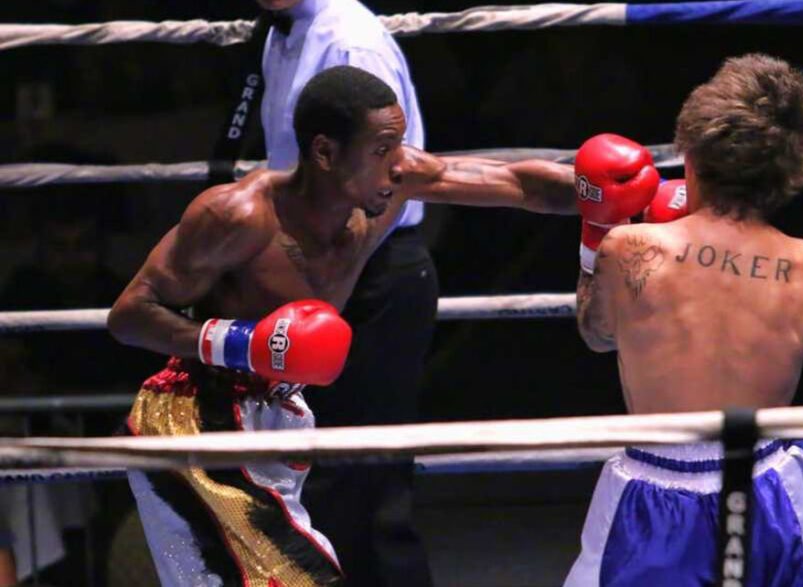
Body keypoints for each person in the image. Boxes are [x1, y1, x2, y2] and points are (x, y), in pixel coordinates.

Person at [107, 65, 575, 587]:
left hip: (277, 415)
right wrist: (242, 342)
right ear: (326, 153)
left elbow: (518, 185)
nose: (398, 164)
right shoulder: (239, 216)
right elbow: (128, 316)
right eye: (381, 150)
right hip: (197, 422)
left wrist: (608, 193)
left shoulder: (392, 184)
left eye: (399, 145)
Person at [564, 54, 803, 586]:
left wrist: (595, 235)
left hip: (655, 489)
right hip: (768, 485)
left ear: (691, 154)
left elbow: (596, 334)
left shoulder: (630, 247)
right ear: (791, 168)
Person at [255, 1, 436, 583]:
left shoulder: (350, 43)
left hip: (368, 269)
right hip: (318, 269)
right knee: (319, 477)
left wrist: (339, 274)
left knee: (368, 485)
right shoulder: (283, 32)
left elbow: (394, 179)